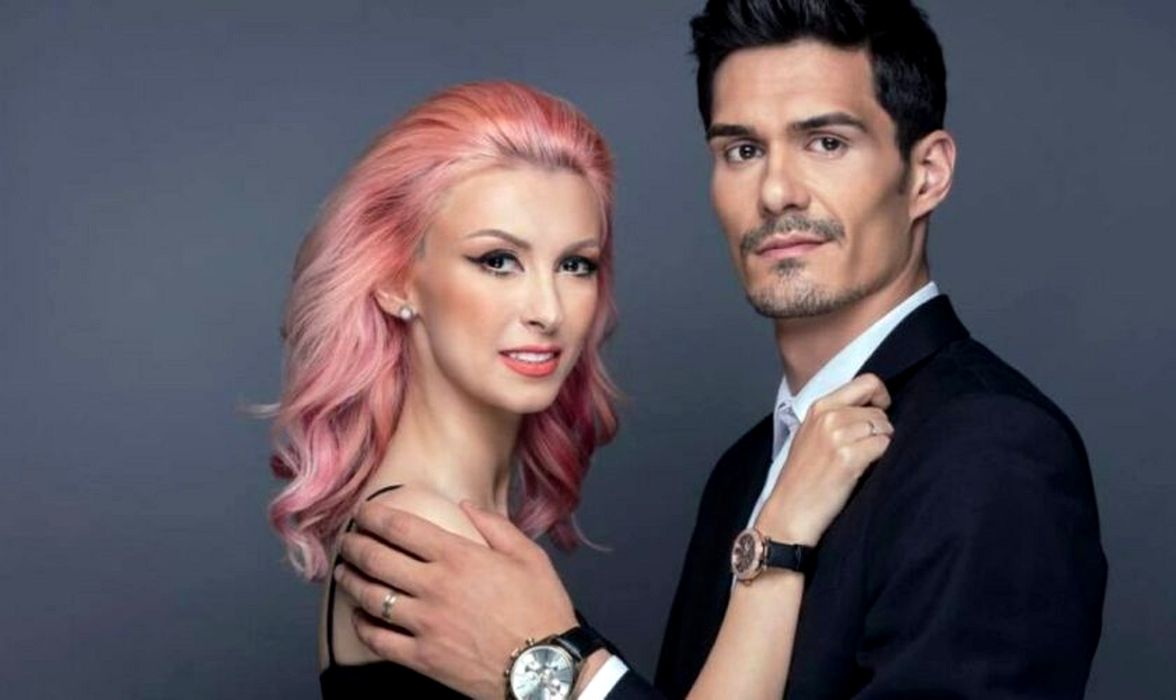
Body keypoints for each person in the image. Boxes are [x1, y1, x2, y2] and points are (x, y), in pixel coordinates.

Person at [334, 1, 1108, 699]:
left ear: (926, 174)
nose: (776, 191)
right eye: (742, 150)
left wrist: (559, 671)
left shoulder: (988, 449)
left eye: (826, 142)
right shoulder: (746, 474)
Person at [267, 79, 895, 699]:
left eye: (575, 265)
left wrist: (778, 537)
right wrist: (780, 529)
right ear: (395, 279)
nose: (548, 310)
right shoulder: (421, 532)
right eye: (497, 261)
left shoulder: (459, 522)